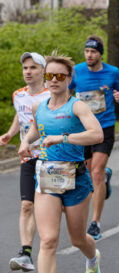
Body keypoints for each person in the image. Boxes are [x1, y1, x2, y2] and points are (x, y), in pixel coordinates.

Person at [18, 52, 104, 273]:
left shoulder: (77, 107)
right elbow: (36, 130)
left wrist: (64, 138)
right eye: (50, 75)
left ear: (69, 79)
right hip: (47, 176)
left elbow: (97, 135)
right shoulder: (39, 107)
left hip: (76, 177)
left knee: (78, 240)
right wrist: (26, 141)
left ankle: (92, 259)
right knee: (48, 241)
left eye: (60, 76)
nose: (54, 80)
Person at [69, 35, 119, 240]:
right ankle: (105, 178)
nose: (89, 55)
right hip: (83, 129)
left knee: (96, 172)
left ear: (100, 53)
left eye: (93, 52)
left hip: (105, 127)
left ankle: (95, 223)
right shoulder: (76, 71)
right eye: (86, 51)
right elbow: (66, 94)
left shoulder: (113, 72)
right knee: (86, 173)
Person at [0, 52, 50, 272]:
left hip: (51, 157)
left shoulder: (51, 95)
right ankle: (26, 254)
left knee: (57, 209)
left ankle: (62, 241)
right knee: (26, 204)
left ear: (43, 71)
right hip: (28, 157)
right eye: (25, 68)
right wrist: (11, 134)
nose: (28, 72)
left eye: (33, 68)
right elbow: (19, 116)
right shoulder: (18, 94)